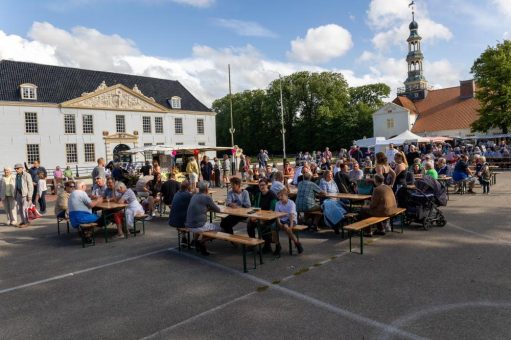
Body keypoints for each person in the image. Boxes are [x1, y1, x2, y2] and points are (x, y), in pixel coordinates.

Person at [185, 181, 222, 255]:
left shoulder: (194, 195)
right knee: (221, 230)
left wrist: (206, 208)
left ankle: (195, 241)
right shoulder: (207, 197)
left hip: (188, 223)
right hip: (198, 225)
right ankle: (201, 242)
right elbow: (218, 210)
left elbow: (200, 207)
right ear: (207, 189)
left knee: (207, 226)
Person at [248, 179, 278, 253]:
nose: (262, 187)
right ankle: (253, 243)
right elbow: (255, 207)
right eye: (260, 185)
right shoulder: (258, 194)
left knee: (262, 225)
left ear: (267, 185)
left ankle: (267, 246)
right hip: (259, 216)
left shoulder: (272, 195)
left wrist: (262, 219)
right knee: (250, 224)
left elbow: (272, 211)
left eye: (263, 185)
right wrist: (253, 216)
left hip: (271, 217)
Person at [274, 188, 303, 255]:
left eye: (282, 196)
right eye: (279, 196)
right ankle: (277, 245)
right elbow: (277, 215)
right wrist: (279, 222)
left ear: (286, 196)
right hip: (282, 220)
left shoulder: (291, 203)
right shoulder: (277, 203)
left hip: (291, 220)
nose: (280, 198)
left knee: (286, 227)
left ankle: (297, 243)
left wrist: (291, 226)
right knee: (273, 228)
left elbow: (291, 215)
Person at [13, 164, 33, 228]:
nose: (16, 170)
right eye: (15, 169)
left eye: (17, 168)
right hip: (18, 193)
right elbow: (16, 186)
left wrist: (29, 196)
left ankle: (26, 222)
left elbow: (30, 186)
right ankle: (23, 221)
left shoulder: (27, 175)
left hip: (25, 194)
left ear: (22, 168)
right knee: (20, 209)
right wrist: (15, 194)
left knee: (25, 209)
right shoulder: (17, 175)